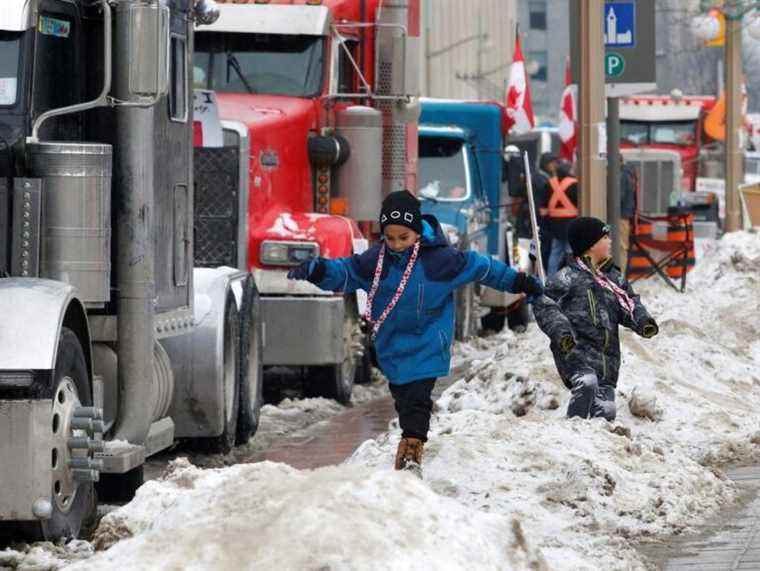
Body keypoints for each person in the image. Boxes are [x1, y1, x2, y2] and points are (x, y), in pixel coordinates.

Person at [287, 190, 543, 474]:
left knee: (417, 403)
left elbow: (483, 269)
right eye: (390, 237)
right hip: (392, 347)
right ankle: (410, 446)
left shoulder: (441, 261)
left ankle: (410, 457)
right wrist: (317, 270)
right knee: (403, 398)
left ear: (417, 232)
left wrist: (521, 282)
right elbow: (345, 272)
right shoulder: (375, 261)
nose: (396, 244)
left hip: (428, 342)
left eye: (403, 238)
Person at [532, 217, 658, 422]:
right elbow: (545, 306)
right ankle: (574, 428)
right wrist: (561, 332)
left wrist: (642, 321)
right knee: (587, 382)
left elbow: (629, 303)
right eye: (605, 237)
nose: (610, 241)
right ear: (590, 245)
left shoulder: (613, 280)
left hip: (606, 362)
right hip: (574, 354)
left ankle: (596, 444)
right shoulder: (567, 277)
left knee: (606, 412)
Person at [546, 160, 579, 277]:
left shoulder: (550, 183)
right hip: (571, 223)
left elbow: (545, 205)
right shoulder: (574, 183)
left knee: (555, 253)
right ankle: (571, 278)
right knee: (570, 253)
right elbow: (578, 202)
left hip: (555, 225)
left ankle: (551, 278)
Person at [619, 156, 638, 276]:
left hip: (619, 216)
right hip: (625, 215)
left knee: (620, 247)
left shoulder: (621, 176)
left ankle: (619, 275)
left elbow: (618, 197)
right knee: (622, 247)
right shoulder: (629, 174)